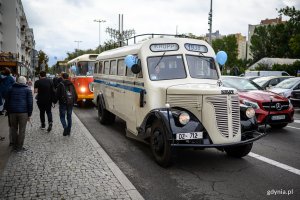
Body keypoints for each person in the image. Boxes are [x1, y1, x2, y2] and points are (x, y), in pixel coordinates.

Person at [5, 76, 33, 152]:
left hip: (12, 112)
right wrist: (29, 114)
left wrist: (8, 111)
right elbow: (30, 103)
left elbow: (7, 101)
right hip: (23, 113)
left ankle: (14, 146)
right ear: (25, 82)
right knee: (22, 130)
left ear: (17, 81)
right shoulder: (28, 90)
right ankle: (19, 147)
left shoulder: (11, 88)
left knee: (13, 129)